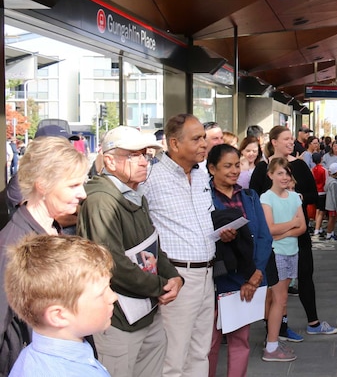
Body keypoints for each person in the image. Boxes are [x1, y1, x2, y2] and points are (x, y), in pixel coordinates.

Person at [77, 126, 183, 377]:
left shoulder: (136, 194)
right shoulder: (101, 200)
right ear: (110, 160)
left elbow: (152, 245)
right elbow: (111, 264)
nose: (143, 161)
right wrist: (161, 286)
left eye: (145, 155)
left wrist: (176, 278)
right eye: (133, 155)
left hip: (147, 312)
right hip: (118, 320)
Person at [140, 114, 237, 377]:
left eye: (204, 137)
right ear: (174, 143)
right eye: (196, 139)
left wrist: (220, 234)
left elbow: (199, 220)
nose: (204, 144)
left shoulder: (202, 173)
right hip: (178, 276)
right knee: (174, 357)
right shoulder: (150, 177)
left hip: (207, 274)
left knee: (200, 351)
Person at [0, 136, 90, 375]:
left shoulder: (50, 228)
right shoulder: (10, 246)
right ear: (42, 185)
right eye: (73, 185)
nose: (82, 194)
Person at [249, 126, 337, 340]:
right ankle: (278, 327)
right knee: (277, 283)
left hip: (298, 234)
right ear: (274, 142)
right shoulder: (262, 169)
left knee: (305, 274)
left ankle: (313, 322)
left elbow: (313, 195)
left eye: (292, 139)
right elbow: (252, 198)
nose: (292, 142)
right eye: (286, 139)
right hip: (273, 238)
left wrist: (296, 196)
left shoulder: (298, 165)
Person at [4, 234, 117, 377]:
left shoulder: (30, 358)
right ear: (58, 315)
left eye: (109, 286)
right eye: (101, 293)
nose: (113, 297)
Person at [206, 144, 274, 375]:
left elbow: (264, 236)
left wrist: (256, 273)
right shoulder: (203, 198)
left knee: (240, 340)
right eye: (227, 166)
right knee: (209, 344)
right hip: (215, 280)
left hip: (247, 279)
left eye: (237, 165)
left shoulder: (249, 196)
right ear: (212, 168)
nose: (234, 171)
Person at [259, 157, 307, 362]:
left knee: (279, 299)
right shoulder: (266, 198)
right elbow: (269, 229)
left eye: (287, 173)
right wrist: (291, 224)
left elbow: (303, 227)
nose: (285, 176)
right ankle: (271, 347)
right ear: (270, 175)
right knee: (280, 299)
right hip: (275, 253)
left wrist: (283, 233)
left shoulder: (295, 197)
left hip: (291, 251)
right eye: (280, 173)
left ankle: (272, 338)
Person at [323, 163, 337, 240]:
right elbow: (335, 196)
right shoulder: (334, 183)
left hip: (329, 204)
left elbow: (325, 189)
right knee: (332, 220)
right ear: (336, 172)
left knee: (332, 219)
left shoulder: (329, 180)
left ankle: (330, 233)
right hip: (333, 205)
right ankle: (329, 234)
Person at [311, 152, 327, 238]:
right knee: (321, 212)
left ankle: (318, 227)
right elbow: (326, 181)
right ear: (321, 159)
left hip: (316, 192)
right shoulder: (324, 170)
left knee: (317, 210)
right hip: (323, 192)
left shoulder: (313, 170)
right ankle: (317, 229)